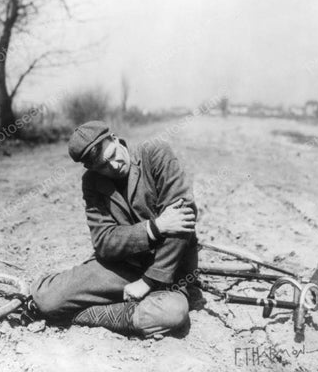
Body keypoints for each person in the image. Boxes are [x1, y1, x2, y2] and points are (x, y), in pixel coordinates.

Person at [25, 120, 198, 337]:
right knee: (48, 301)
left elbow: (183, 220)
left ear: (115, 138)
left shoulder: (155, 154)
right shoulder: (91, 182)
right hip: (121, 267)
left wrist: (147, 282)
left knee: (172, 314)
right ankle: (121, 310)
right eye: (103, 166)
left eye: (113, 155)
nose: (114, 166)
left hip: (168, 272)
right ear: (91, 168)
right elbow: (104, 242)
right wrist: (155, 227)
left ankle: (83, 314)